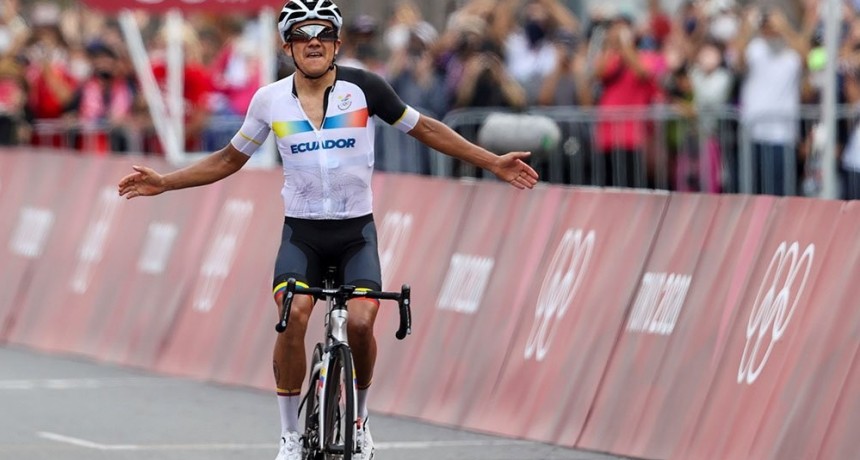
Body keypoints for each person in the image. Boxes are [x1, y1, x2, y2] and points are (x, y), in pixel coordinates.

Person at [116, 1, 539, 459]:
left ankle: (359, 423)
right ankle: (289, 436)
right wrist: (166, 182)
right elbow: (227, 160)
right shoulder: (269, 100)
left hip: (356, 233)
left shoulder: (365, 89)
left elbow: (428, 130)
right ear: (288, 46)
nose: (313, 41)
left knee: (361, 322)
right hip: (303, 236)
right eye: (302, 33)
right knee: (294, 314)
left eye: (323, 33)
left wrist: (491, 161)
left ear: (337, 44)